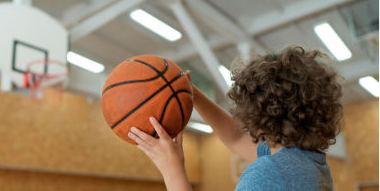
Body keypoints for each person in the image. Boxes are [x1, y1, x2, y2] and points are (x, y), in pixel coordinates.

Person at [127, 46, 343, 191]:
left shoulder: (269, 174)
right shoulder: (307, 162)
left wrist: (172, 171)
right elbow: (236, 139)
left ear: (256, 116)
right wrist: (191, 92)